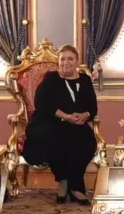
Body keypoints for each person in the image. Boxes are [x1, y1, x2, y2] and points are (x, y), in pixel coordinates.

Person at [22, 44, 99, 204]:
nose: (66, 62)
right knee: (56, 137)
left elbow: (92, 108)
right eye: (62, 59)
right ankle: (64, 182)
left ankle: (75, 186)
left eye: (70, 59)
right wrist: (66, 116)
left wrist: (84, 115)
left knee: (87, 142)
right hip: (49, 121)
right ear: (58, 62)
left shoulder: (85, 80)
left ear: (77, 61)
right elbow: (41, 103)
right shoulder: (51, 78)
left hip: (76, 123)